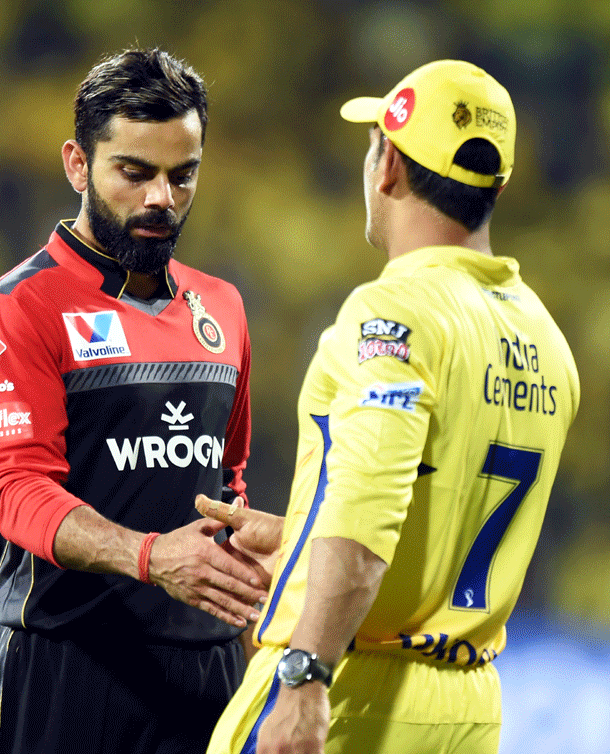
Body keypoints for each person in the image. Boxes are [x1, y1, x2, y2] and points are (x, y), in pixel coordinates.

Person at [197, 60, 580, 754]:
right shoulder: (546, 339)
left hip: (352, 687)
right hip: (468, 708)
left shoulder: (393, 312)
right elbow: (446, 510)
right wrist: (302, 540)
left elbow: (372, 498)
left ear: (389, 166)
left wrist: (306, 671)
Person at [0, 48, 268, 754]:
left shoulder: (223, 307)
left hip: (208, 674)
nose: (161, 198)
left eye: (181, 176)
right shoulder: (19, 309)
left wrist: (259, 644)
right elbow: (16, 490)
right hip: (68, 667)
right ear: (77, 164)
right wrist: (152, 557)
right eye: (135, 173)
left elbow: (227, 483)